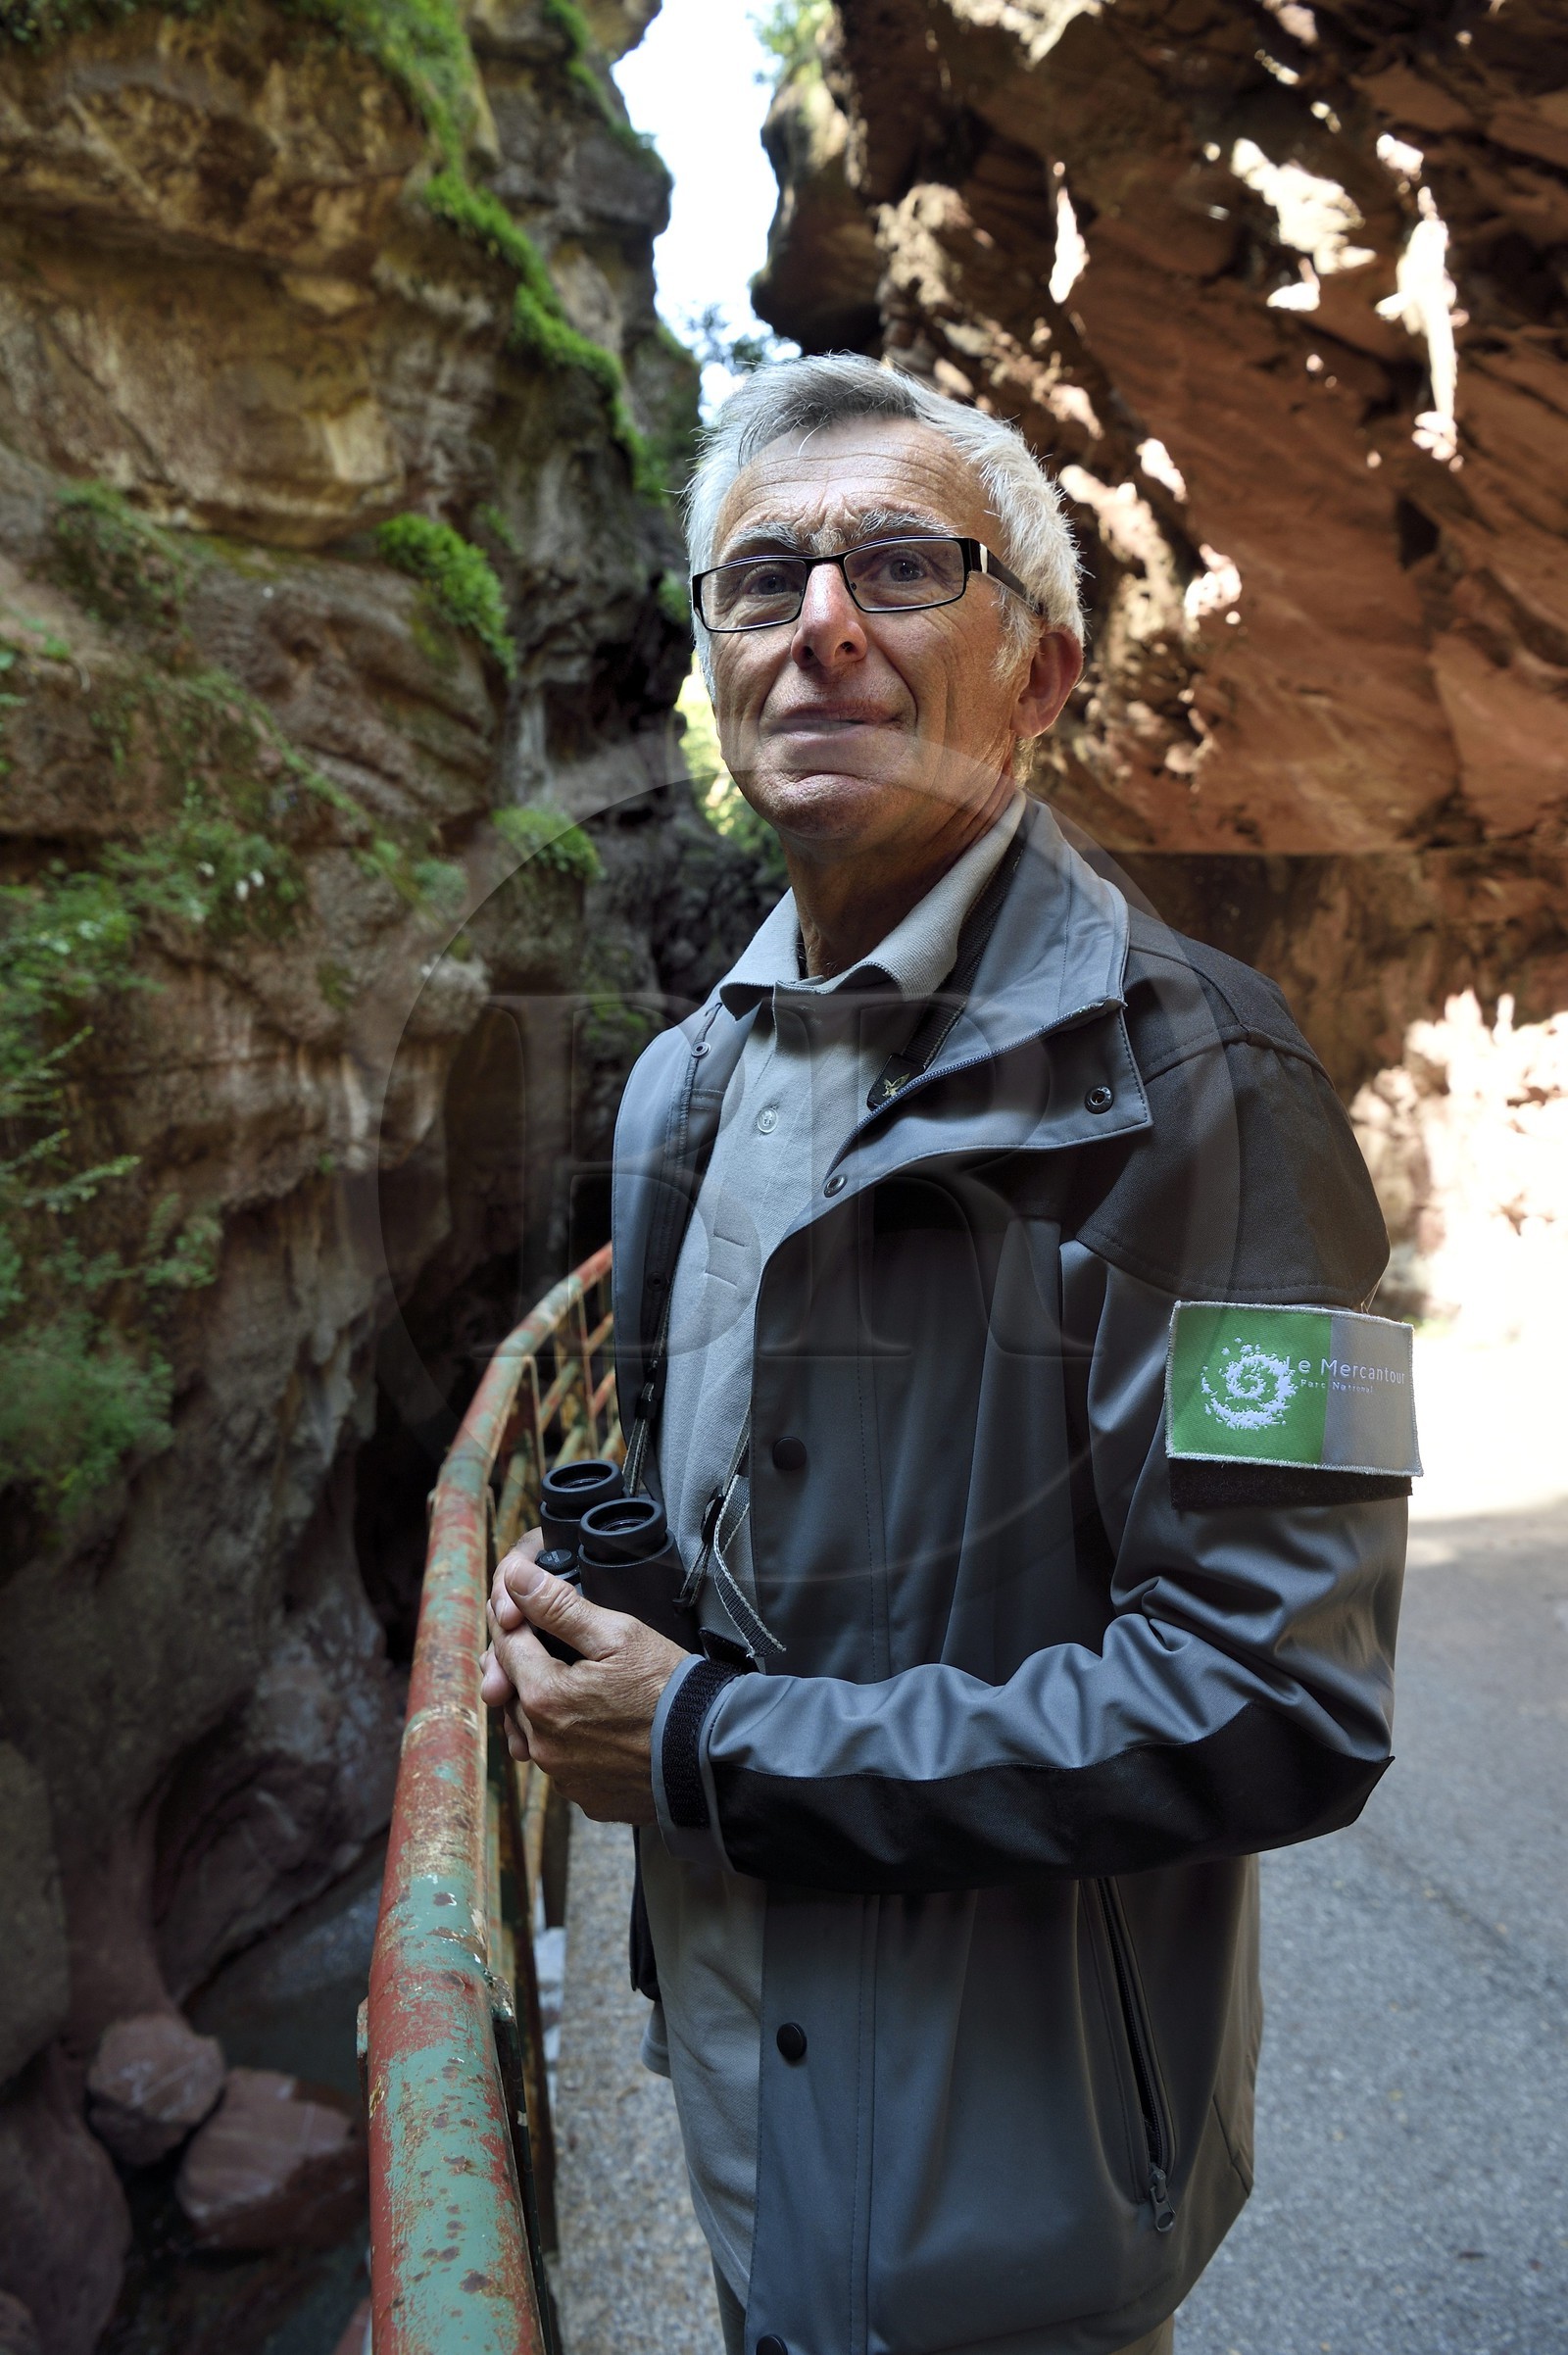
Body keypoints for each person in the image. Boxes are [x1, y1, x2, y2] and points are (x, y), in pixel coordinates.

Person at [481, 354, 1413, 2355]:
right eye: (760, 581)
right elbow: (729, 1512)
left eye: (899, 566)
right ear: (717, 673)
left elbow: (1279, 1688)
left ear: (1040, 674)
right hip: (742, 2097)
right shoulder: (684, 1088)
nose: (820, 623)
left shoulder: (1213, 1081)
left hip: (1002, 2200)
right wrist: (612, 1610)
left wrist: (700, 1744)